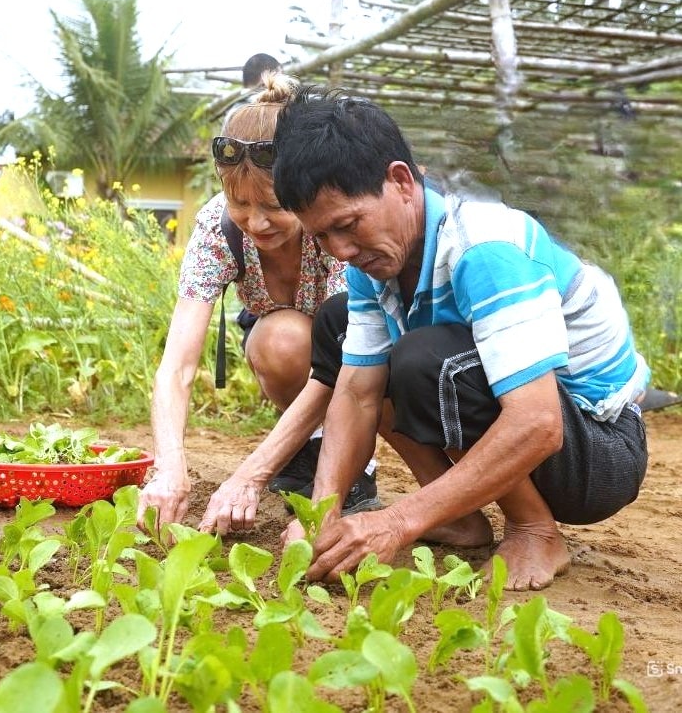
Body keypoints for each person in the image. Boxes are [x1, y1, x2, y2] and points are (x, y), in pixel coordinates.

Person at [272, 86, 650, 590]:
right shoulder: (375, 264)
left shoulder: (483, 248)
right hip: (538, 425)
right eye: (321, 236)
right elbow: (359, 392)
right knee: (342, 323)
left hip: (597, 448)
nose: (339, 250)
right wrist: (323, 512)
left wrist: (396, 521)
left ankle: (535, 529)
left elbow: (539, 422)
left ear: (401, 182)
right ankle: (458, 517)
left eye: (347, 225)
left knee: (427, 358)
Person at [137, 73, 379, 532]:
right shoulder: (216, 227)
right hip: (293, 350)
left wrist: (250, 474)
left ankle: (355, 466)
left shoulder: (331, 225)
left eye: (272, 204)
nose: (255, 221)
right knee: (279, 338)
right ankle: (308, 451)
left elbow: (346, 365)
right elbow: (178, 365)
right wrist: (169, 466)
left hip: (362, 361)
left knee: (324, 339)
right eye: (239, 202)